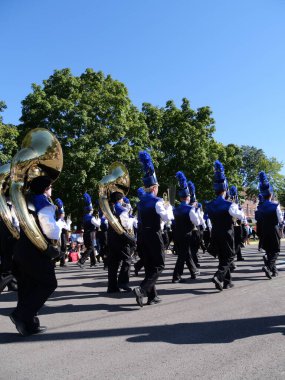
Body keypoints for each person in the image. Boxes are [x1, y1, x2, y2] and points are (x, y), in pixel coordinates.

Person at [11, 176, 62, 336]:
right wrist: (60, 223)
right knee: (48, 283)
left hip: (22, 248)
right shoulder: (43, 202)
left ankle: (28, 324)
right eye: (51, 187)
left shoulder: (24, 200)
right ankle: (21, 315)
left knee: (28, 286)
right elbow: (51, 230)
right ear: (46, 188)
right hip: (36, 250)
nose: (52, 190)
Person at [133, 151, 174, 307]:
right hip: (154, 235)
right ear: (155, 187)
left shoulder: (140, 202)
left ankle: (152, 296)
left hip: (142, 235)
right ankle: (142, 290)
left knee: (150, 265)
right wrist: (168, 206)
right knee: (159, 265)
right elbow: (168, 218)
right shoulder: (158, 202)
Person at [206, 161, 244, 291]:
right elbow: (240, 216)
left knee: (223, 257)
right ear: (225, 189)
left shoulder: (209, 204)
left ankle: (227, 282)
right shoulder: (229, 204)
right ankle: (218, 276)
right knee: (230, 256)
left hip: (215, 233)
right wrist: (240, 210)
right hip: (227, 233)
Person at [172, 171, 199, 283]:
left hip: (177, 235)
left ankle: (193, 271)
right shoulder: (190, 209)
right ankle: (176, 276)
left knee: (186, 253)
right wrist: (195, 209)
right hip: (187, 234)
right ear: (187, 197)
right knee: (182, 256)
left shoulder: (176, 209)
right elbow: (197, 222)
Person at [107, 191, 136, 293]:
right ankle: (123, 282)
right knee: (127, 259)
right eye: (122, 199)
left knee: (113, 263)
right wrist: (132, 219)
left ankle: (112, 286)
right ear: (120, 199)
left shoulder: (109, 209)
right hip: (121, 238)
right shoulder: (121, 210)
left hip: (111, 238)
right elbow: (127, 225)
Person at [257, 171, 283, 278]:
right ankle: (268, 266)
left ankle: (274, 271)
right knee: (276, 250)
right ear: (270, 194)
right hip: (274, 228)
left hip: (264, 230)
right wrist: (281, 226)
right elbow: (280, 219)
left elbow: (258, 218)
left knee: (269, 250)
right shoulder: (275, 205)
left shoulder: (260, 207)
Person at [77, 193, 100, 268]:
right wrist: (98, 218)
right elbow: (98, 225)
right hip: (90, 234)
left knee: (91, 248)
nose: (92, 209)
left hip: (85, 234)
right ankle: (81, 261)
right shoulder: (91, 218)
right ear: (90, 210)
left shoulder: (85, 217)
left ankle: (93, 262)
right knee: (90, 248)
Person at [54, 198, 72, 267]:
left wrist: (68, 222)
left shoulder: (62, 220)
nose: (64, 214)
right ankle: (55, 260)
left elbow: (67, 228)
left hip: (63, 234)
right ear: (60, 214)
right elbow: (67, 228)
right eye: (63, 213)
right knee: (60, 248)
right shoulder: (58, 220)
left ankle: (62, 262)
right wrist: (69, 223)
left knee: (63, 248)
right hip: (59, 235)